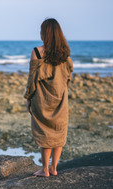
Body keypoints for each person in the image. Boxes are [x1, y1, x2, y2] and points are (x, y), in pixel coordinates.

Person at [24, 18, 73, 177]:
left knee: (45, 132)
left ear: (45, 33)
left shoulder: (37, 52)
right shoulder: (65, 54)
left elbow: (32, 79)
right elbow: (68, 76)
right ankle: (54, 168)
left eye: (41, 30)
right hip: (60, 97)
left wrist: (28, 98)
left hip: (42, 98)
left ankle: (45, 169)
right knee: (59, 132)